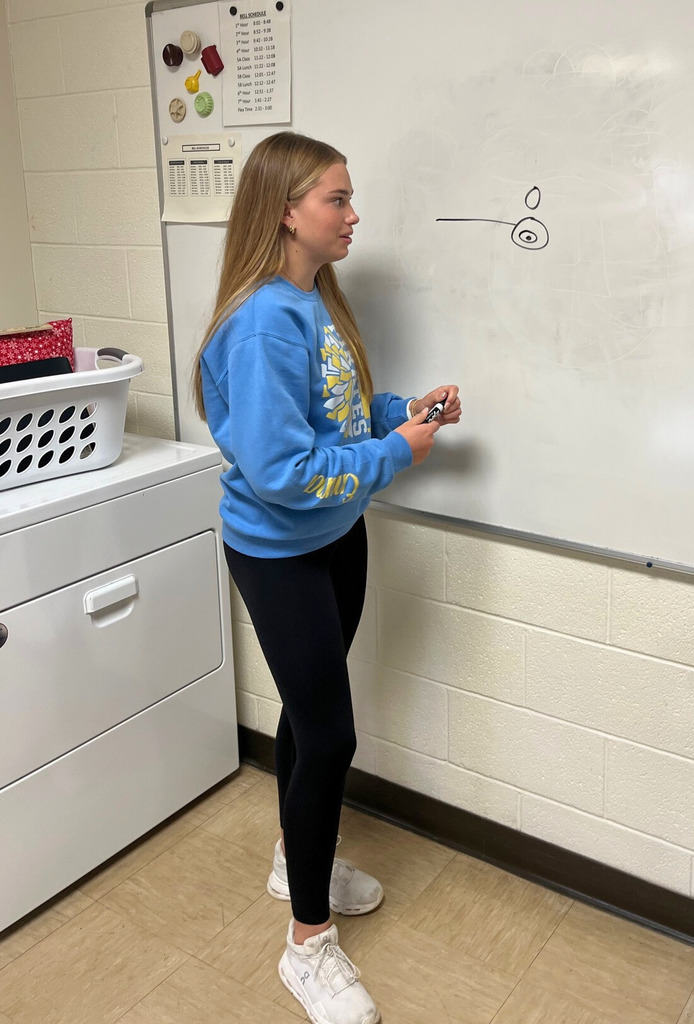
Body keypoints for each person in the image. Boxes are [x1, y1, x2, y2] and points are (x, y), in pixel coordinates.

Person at [192, 131, 461, 1024]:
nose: (353, 216)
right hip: (280, 553)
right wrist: (396, 454)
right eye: (336, 199)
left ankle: (291, 855)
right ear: (286, 211)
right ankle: (307, 945)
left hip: (337, 538)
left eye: (348, 198)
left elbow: (335, 415)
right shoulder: (263, 321)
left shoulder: (316, 300)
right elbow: (280, 471)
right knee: (331, 736)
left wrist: (401, 413)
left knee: (308, 718)